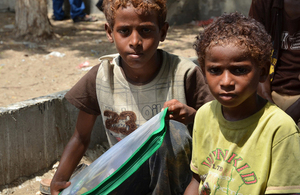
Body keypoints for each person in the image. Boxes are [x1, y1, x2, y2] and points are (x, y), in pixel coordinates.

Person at [50, 0, 214, 194]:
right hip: (124, 176)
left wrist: (193, 115)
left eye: (145, 31)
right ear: (110, 32)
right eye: (124, 31)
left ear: (162, 32)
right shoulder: (102, 76)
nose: (135, 41)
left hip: (176, 181)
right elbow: (81, 137)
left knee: (170, 131)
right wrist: (59, 180)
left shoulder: (184, 73)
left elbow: (217, 126)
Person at [184, 12, 300, 194]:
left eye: (239, 70)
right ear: (203, 72)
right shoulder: (204, 115)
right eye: (215, 70)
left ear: (262, 72)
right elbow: (197, 179)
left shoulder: (280, 129)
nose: (226, 82)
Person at [249, 0, 300, 127]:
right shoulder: (263, 4)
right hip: (271, 91)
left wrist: (288, 118)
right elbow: (256, 55)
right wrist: (268, 103)